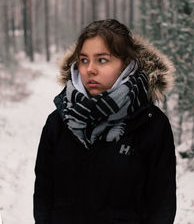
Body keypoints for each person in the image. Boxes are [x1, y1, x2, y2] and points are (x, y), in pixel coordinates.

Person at [33, 19, 176, 224]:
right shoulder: (58, 122)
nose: (90, 69)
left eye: (102, 60)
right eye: (83, 60)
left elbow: (162, 205)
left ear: (126, 64)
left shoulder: (152, 125)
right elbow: (43, 198)